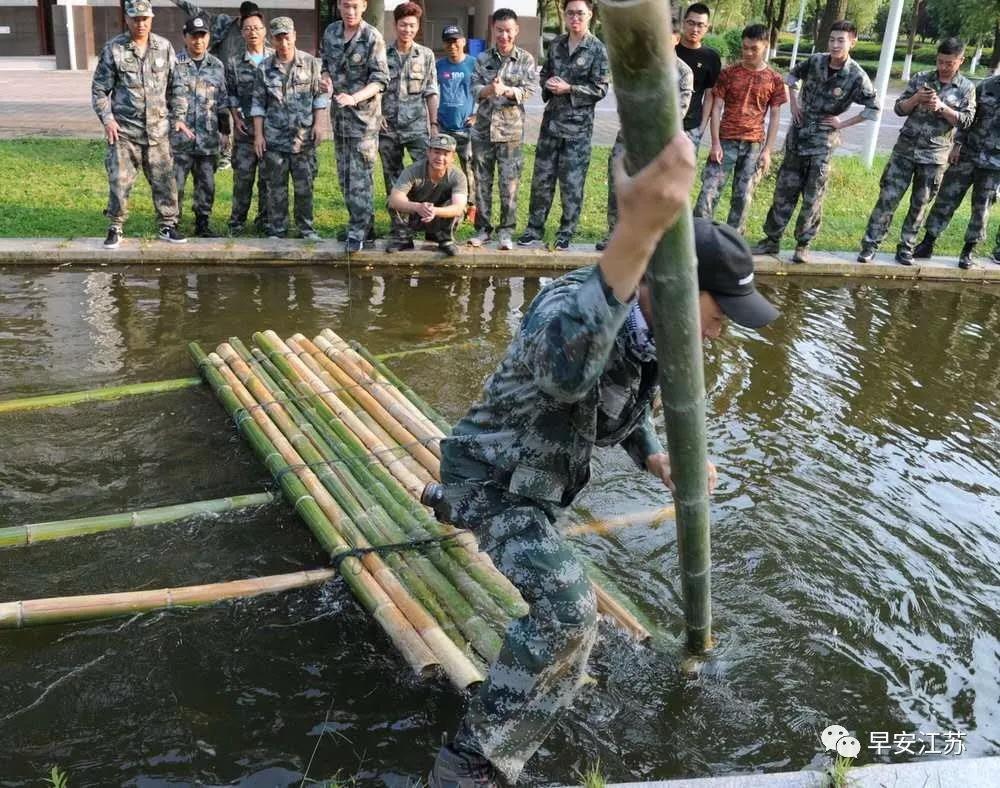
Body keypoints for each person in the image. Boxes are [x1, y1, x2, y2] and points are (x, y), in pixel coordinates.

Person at [426, 133, 778, 787]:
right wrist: (636, 231)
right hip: (494, 478)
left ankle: (443, 503)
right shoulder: (573, 307)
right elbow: (567, 372)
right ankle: (472, 760)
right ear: (673, 284)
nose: (722, 328)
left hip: (539, 483)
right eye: (719, 310)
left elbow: (618, 411)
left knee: (535, 562)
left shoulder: (655, 337)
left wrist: (654, 460)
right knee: (569, 613)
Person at [751, 20, 878, 263]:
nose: (835, 44)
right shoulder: (816, 60)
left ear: (853, 41)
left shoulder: (856, 75)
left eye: (841, 40)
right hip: (798, 136)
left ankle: (803, 244)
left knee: (813, 195)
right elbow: (792, 76)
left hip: (823, 142)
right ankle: (771, 240)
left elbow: (873, 108)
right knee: (784, 190)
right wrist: (795, 103)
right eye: (832, 39)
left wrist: (842, 123)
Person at [858, 37, 975, 265]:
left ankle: (906, 248)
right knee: (887, 199)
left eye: (949, 63)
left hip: (934, 156)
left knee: (920, 204)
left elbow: (967, 121)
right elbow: (899, 108)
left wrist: (943, 108)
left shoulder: (966, 88)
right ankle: (870, 245)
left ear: (961, 61)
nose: (943, 66)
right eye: (940, 61)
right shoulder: (922, 78)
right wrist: (915, 99)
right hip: (905, 151)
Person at [91, 0, 188, 249]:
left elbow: (177, 87)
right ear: (127, 19)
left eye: (145, 18)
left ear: (151, 19)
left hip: (158, 132)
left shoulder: (164, 48)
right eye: (135, 19)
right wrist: (108, 119)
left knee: (165, 181)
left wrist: (178, 118)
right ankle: (115, 226)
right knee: (119, 182)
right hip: (125, 133)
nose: (140, 23)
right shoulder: (114, 49)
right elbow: (100, 90)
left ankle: (168, 224)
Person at [516, 0, 609, 251]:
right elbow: (545, 73)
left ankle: (566, 231)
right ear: (565, 17)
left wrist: (569, 89)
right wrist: (548, 84)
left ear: (590, 15)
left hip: (577, 129)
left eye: (580, 13)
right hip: (551, 125)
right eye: (570, 13)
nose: (575, 18)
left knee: (571, 182)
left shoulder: (597, 49)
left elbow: (600, 88)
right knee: (542, 179)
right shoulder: (556, 44)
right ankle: (534, 228)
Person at [596, 15, 692, 252]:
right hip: (627, 138)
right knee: (619, 185)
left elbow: (678, 111)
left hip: (659, 144)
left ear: (675, 39)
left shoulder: (683, 72)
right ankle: (616, 235)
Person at [693, 23, 786, 234]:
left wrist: (768, 151)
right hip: (725, 141)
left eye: (754, 48)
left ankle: (734, 241)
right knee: (709, 191)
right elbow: (716, 107)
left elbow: (775, 116)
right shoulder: (729, 73)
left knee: (743, 196)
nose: (748, 53)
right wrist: (715, 142)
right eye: (745, 47)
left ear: (766, 46)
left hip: (754, 144)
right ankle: (697, 236)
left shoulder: (774, 78)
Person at [319, 0, 389, 253]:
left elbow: (380, 80)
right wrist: (325, 81)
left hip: (364, 120)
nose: (350, 11)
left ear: (364, 6)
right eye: (346, 5)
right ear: (339, 5)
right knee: (345, 177)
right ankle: (362, 227)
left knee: (361, 177)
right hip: (340, 119)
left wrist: (355, 98)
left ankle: (358, 231)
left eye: (355, 6)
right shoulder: (331, 32)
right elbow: (325, 65)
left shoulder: (372, 36)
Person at [911, 73, 1000, 269]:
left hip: (995, 163)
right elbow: (969, 117)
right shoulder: (986, 86)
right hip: (968, 153)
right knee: (946, 198)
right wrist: (957, 144)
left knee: (982, 207)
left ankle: (968, 250)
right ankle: (928, 243)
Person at [250, 17, 327, 240]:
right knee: (276, 188)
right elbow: (258, 104)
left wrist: (320, 124)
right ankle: (277, 230)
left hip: (303, 138)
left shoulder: (311, 63)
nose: (283, 43)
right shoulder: (264, 67)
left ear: (294, 35)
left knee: (304, 187)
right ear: (272, 40)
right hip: (274, 138)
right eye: (278, 38)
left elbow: (319, 97)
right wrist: (258, 135)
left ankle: (306, 229)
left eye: (287, 37)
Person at [468, 9, 537, 251]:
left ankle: (506, 232)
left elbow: (529, 90)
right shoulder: (482, 59)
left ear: (516, 31)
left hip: (510, 134)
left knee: (509, 185)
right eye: (499, 30)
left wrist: (507, 90)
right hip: (483, 132)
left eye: (508, 30)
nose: (504, 35)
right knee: (481, 182)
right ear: (492, 30)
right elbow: (474, 89)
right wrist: (489, 89)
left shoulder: (526, 59)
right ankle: (483, 229)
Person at [168, 0, 260, 170]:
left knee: (235, 116)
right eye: (246, 22)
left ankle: (229, 150)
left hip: (238, 77)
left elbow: (263, 46)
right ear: (240, 17)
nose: (249, 27)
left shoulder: (253, 32)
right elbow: (195, 11)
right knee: (209, 110)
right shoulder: (224, 23)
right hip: (213, 72)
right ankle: (224, 152)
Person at [380, 2, 440, 248]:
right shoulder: (381, 53)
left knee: (426, 177)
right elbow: (376, 87)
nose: (407, 29)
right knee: (393, 180)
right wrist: (376, 115)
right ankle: (400, 231)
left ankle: (429, 226)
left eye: (412, 25)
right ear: (395, 25)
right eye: (403, 25)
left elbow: (431, 91)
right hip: (388, 129)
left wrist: (434, 124)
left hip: (416, 127)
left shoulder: (425, 55)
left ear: (418, 27)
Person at [170, 14, 229, 238]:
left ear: (208, 37)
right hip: (179, 139)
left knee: (206, 183)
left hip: (207, 138)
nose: (198, 41)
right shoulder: (173, 63)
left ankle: (202, 222)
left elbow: (222, 100)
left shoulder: (216, 65)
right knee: (176, 184)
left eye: (202, 36)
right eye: (193, 36)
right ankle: (172, 222)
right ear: (185, 37)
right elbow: (165, 98)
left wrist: (225, 131)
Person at [226, 8, 273, 235]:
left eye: (256, 28)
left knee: (267, 180)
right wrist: (235, 119)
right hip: (245, 132)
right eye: (247, 29)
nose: (252, 32)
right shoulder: (234, 63)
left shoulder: (276, 58)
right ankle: (237, 222)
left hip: (272, 131)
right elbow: (231, 95)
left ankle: (265, 221)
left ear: (264, 31)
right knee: (242, 180)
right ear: (242, 33)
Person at [386, 133, 467, 257]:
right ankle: (403, 239)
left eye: (445, 154)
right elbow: (395, 199)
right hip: (415, 216)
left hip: (439, 217)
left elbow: (458, 207)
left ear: (453, 157)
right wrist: (418, 207)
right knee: (391, 201)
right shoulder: (412, 170)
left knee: (460, 210)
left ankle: (444, 239)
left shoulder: (458, 176)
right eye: (436, 152)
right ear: (428, 152)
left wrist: (434, 211)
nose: (440, 158)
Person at [436, 25, 477, 222]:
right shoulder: (439, 66)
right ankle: (447, 201)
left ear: (463, 41)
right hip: (444, 126)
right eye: (448, 41)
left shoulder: (474, 64)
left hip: (466, 128)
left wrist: (477, 115)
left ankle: (471, 204)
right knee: (443, 167)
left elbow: (486, 91)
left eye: (455, 41)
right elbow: (431, 91)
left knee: (469, 167)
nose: (452, 45)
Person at [675, 3, 721, 150]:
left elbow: (709, 95)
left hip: (690, 127)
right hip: (660, 124)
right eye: (691, 23)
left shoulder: (711, 57)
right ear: (683, 23)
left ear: (707, 27)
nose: (695, 29)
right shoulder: (670, 49)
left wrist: (701, 128)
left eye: (700, 25)